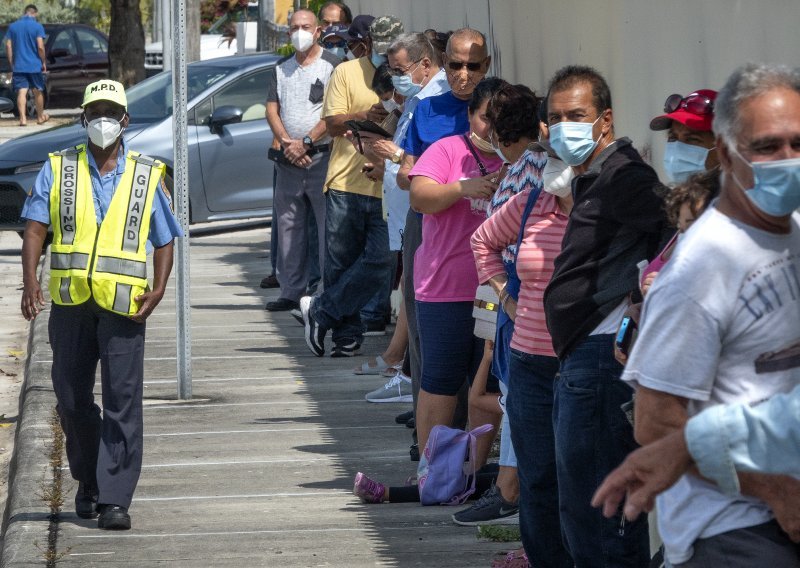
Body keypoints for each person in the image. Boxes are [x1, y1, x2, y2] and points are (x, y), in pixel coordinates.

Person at [618, 62, 800, 568]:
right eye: (766, 146)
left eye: (798, 143)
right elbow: (655, 424)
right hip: (737, 531)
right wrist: (774, 490)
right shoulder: (701, 269)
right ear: (726, 153)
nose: (787, 160)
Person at [19, 79, 182, 530]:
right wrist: (30, 280)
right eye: (95, 113)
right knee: (71, 399)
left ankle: (115, 498)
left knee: (122, 400)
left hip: (125, 305)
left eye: (111, 112)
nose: (103, 121)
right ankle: (88, 480)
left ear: (125, 120)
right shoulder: (59, 168)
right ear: (84, 119)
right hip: (71, 303)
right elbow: (35, 228)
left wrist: (161, 286)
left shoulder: (147, 174)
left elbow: (166, 238)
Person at [541, 65, 669, 566]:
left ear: (605, 121)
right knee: (584, 507)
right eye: (555, 117)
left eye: (577, 115)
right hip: (581, 359)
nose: (564, 126)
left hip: (598, 360)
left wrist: (637, 305)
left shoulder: (625, 176)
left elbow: (671, 232)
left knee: (597, 512)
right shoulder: (593, 177)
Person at [469, 84, 573, 565]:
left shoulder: (539, 172)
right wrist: (506, 298)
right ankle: (533, 538)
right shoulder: (529, 175)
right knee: (529, 433)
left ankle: (520, 508)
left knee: (561, 454)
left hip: (565, 339)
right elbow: (486, 240)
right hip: (523, 318)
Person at [395, 28, 490, 460]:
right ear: (442, 62)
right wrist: (434, 179)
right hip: (433, 228)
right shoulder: (427, 108)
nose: (464, 74)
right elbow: (409, 172)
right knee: (427, 339)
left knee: (483, 361)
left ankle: (472, 457)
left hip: (489, 248)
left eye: (474, 66)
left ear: (487, 66)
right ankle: (431, 447)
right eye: (455, 64)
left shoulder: (499, 105)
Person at [408, 76, 505, 470]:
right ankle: (432, 468)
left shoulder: (517, 156)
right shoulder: (447, 149)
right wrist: (464, 188)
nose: (492, 127)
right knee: (441, 379)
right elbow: (420, 197)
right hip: (444, 288)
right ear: (469, 115)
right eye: (484, 117)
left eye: (500, 119)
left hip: (496, 290)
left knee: (489, 383)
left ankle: (473, 470)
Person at [299, 15, 404, 357]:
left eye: (393, 48)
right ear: (369, 44)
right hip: (346, 180)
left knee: (381, 262)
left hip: (388, 184)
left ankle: (321, 311)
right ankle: (347, 334)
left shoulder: (405, 76)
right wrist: (365, 117)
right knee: (341, 263)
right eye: (381, 47)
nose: (386, 54)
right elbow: (331, 124)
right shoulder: (346, 71)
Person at [357, 32, 449, 401]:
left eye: (400, 70)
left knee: (419, 300)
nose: (396, 78)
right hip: (406, 208)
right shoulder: (416, 98)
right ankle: (414, 386)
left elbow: (425, 162)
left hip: (425, 211)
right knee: (411, 296)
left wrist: (393, 156)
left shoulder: (437, 100)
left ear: (425, 64)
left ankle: (415, 384)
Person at [264, 10, 339, 312]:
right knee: (288, 227)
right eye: (294, 28)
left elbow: (334, 112)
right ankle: (291, 291)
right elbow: (272, 110)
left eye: (305, 27)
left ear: (318, 30)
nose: (300, 32)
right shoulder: (281, 69)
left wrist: (307, 141)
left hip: (322, 157)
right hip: (288, 161)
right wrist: (287, 142)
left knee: (327, 228)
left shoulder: (334, 65)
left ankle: (326, 291)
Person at [650, 89, 719, 184]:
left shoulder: (739, 197)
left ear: (724, 148)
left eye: (692, 139)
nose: (677, 150)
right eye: (673, 138)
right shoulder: (674, 197)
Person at [4, 4, 47, 126]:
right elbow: (40, 46)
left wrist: (12, 61)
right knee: (38, 90)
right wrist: (43, 61)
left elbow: (8, 45)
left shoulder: (13, 26)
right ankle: (39, 117)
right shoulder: (37, 26)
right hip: (34, 65)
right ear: (35, 13)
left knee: (21, 92)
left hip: (19, 65)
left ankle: (22, 119)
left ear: (25, 12)